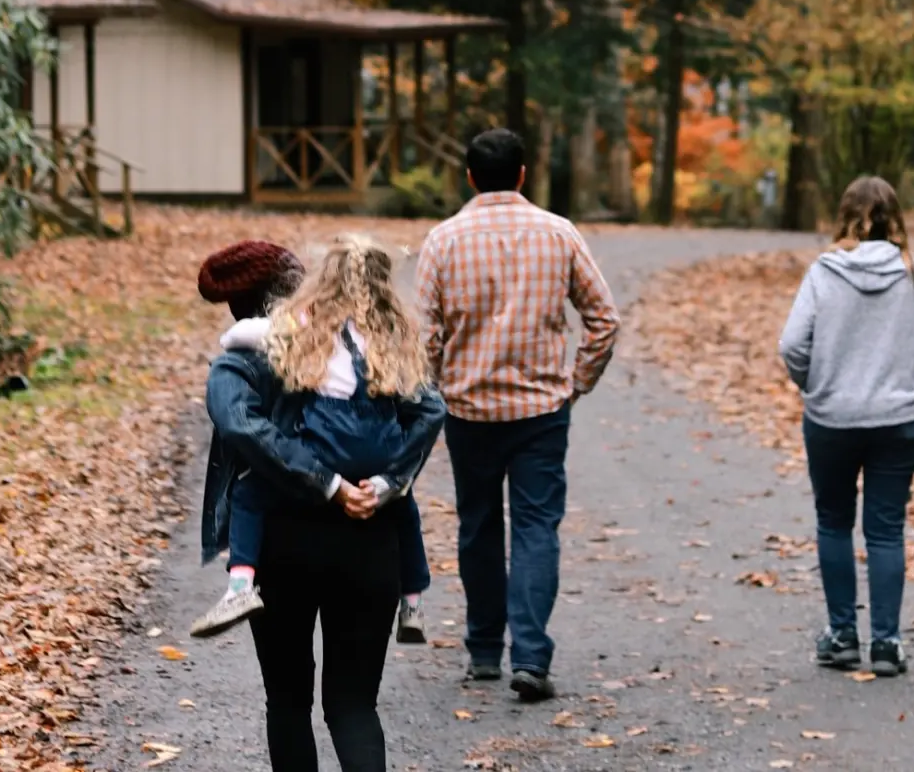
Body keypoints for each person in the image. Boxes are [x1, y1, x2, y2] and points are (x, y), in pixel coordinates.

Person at [195, 238, 445, 771]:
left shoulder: (241, 361)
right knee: (354, 705)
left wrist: (322, 480)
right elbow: (430, 407)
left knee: (287, 701)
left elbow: (238, 423)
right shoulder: (371, 347)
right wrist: (383, 482)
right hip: (370, 537)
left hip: (282, 544)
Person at [414, 128, 620, 703]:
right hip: (541, 411)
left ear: (471, 176)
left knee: (478, 526)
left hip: (469, 408)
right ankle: (529, 657)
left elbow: (425, 335)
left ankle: (484, 651)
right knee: (535, 528)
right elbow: (604, 320)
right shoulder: (559, 234)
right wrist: (575, 384)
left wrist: (435, 391)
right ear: (524, 174)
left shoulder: (443, 240)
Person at [777, 176, 914, 678]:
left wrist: (815, 383)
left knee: (834, 521)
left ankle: (842, 635)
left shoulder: (824, 272)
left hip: (831, 418)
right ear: (895, 219)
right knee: (885, 529)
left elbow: (792, 345)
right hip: (899, 421)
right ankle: (886, 643)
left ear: (844, 217)